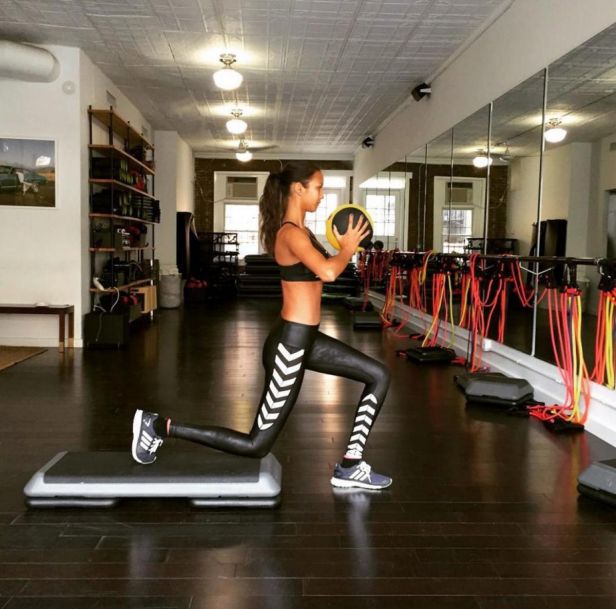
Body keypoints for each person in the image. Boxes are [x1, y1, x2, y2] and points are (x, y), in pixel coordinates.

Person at [131, 162, 392, 490]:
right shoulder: (290, 234)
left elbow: (324, 268)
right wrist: (348, 249)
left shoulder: (304, 232)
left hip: (307, 339)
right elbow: (328, 272)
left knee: (378, 375)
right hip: (290, 347)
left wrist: (343, 248)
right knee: (256, 444)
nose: (322, 195)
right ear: (298, 188)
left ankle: (351, 464)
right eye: (318, 187)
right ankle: (158, 426)